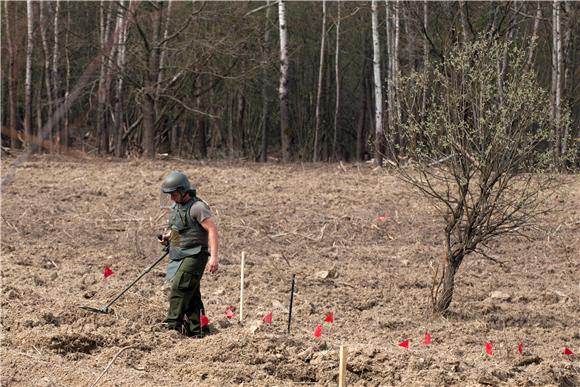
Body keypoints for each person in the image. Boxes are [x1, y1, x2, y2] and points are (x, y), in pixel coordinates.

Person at [158, 171, 219, 337]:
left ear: (183, 191)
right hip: (181, 253)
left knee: (180, 287)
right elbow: (176, 230)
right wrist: (168, 240)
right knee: (191, 293)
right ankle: (198, 330)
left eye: (174, 194)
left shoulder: (197, 208)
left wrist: (213, 257)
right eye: (170, 195)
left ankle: (172, 326)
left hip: (196, 254)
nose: (171, 198)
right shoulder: (176, 207)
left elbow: (212, 230)